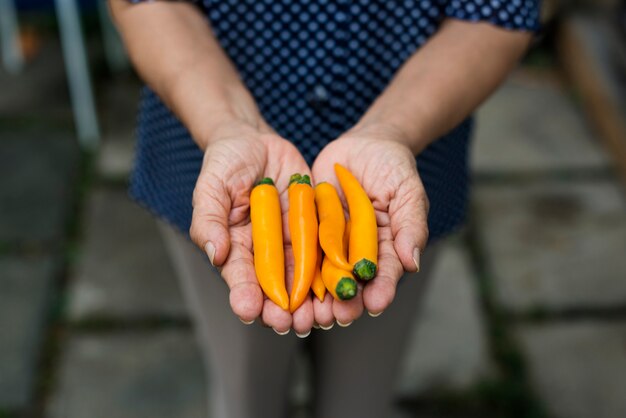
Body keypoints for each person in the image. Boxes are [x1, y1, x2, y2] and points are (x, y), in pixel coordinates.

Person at [109, 1, 539, 417]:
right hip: (216, 162)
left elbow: (498, 12)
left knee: (362, 399)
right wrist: (227, 124)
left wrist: (393, 130)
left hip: (400, 174)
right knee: (245, 396)